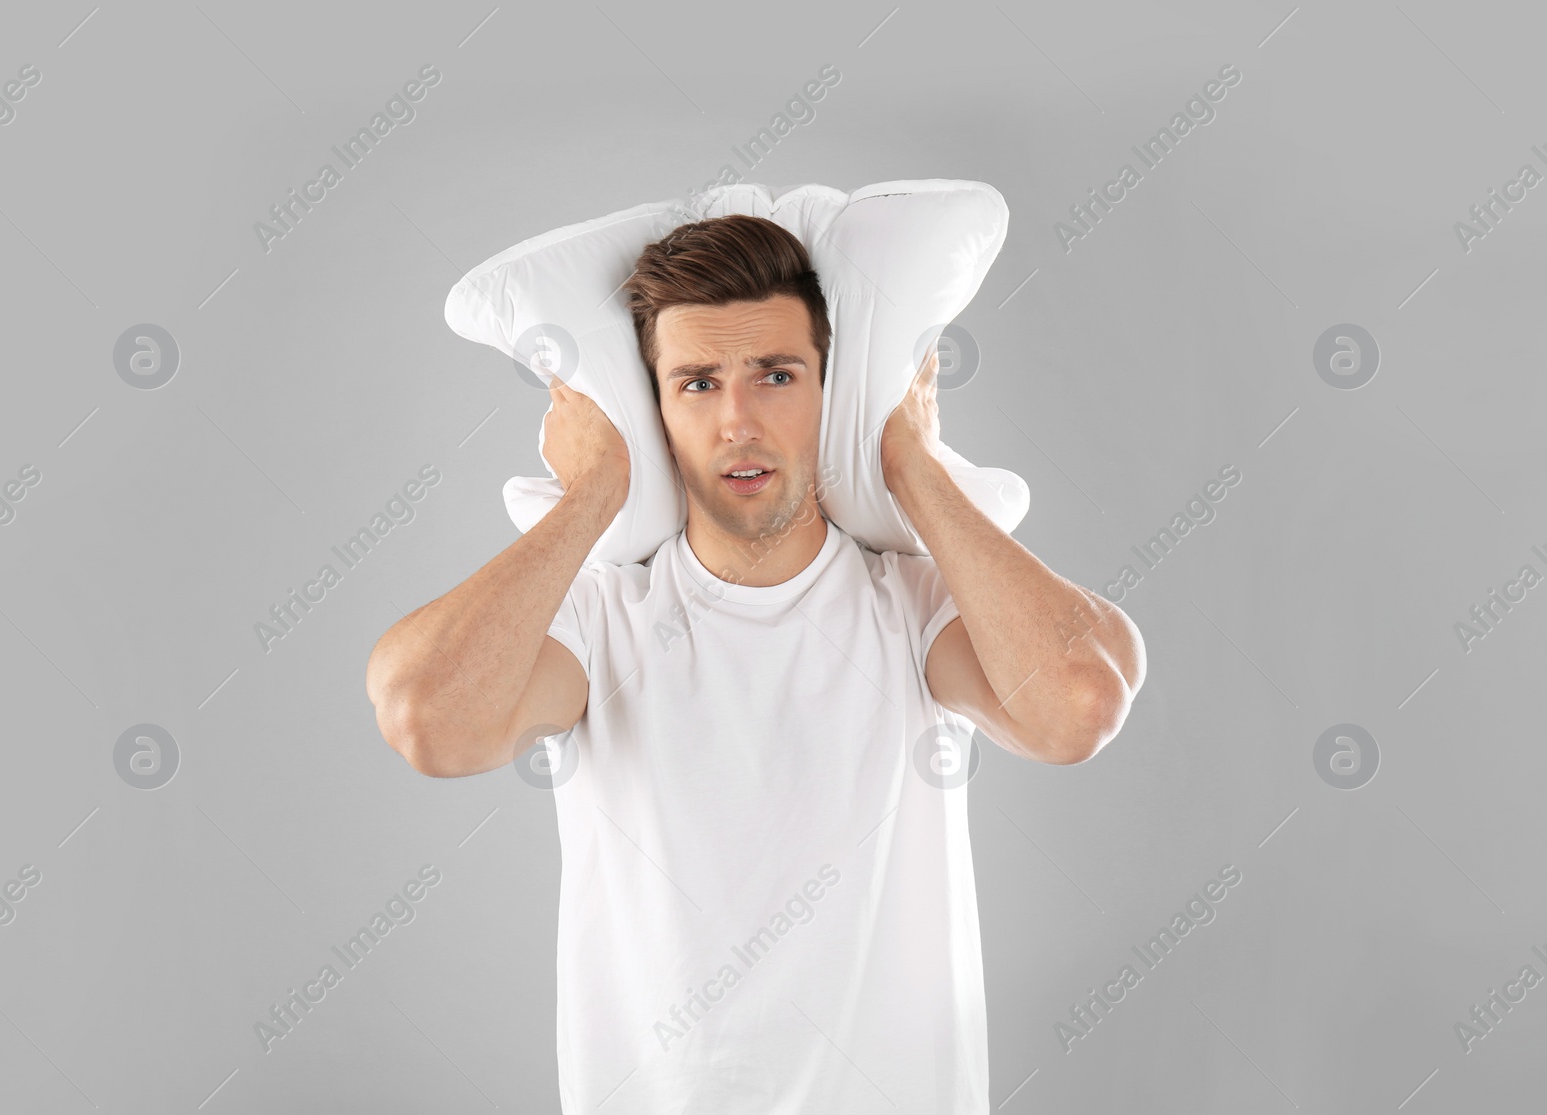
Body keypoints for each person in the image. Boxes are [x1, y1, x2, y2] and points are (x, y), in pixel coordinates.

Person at [365, 214, 1146, 1113]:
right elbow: (425, 716)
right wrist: (592, 490)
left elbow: (1081, 703)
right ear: (655, 408)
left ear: (829, 389)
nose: (738, 420)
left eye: (777, 375)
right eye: (697, 383)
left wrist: (911, 462)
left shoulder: (914, 605)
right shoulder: (601, 619)